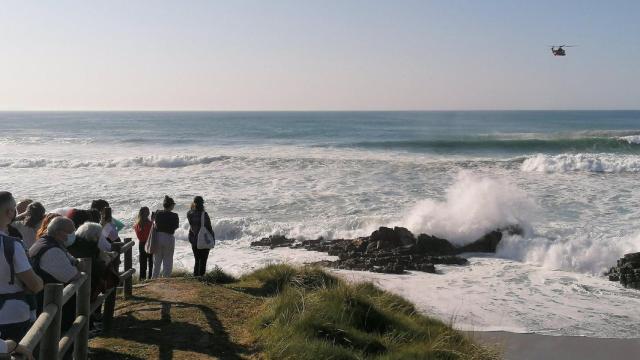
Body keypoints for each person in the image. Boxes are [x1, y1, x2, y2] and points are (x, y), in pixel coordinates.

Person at [0, 192, 43, 343]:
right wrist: (39, 283)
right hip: (12, 315)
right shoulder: (11, 244)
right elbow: (34, 285)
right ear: (10, 212)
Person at [152, 196, 179, 278]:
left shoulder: (158, 213)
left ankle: (154, 279)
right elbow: (176, 226)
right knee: (168, 260)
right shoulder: (174, 215)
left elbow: (153, 220)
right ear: (171, 206)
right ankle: (166, 279)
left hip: (158, 237)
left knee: (157, 261)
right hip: (169, 237)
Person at [187, 196, 215, 276]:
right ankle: (201, 278)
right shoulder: (204, 215)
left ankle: (195, 277)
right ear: (202, 204)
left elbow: (190, 210)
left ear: (194, 203)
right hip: (203, 240)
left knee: (197, 260)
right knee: (203, 261)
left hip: (194, 240)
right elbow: (209, 228)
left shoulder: (190, 214)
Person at [134, 207, 153, 280]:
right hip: (150, 243)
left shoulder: (137, 225)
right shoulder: (150, 224)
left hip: (141, 244)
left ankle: (142, 279)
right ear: (148, 213)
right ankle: (151, 278)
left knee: (143, 264)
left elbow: (140, 237)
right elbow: (152, 233)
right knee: (151, 263)